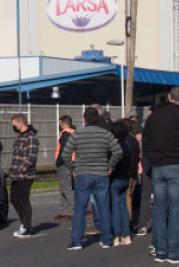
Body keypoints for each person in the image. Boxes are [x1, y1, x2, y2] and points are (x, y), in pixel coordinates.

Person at [142, 86, 179, 264]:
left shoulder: (153, 117)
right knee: (176, 210)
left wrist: (152, 161)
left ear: (168, 96)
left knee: (159, 208)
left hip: (158, 164)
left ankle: (160, 249)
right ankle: (174, 250)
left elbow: (146, 142)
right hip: (177, 164)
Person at [62, 106, 122, 251]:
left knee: (79, 209)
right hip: (101, 174)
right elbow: (117, 151)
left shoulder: (77, 135)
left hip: (82, 174)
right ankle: (107, 239)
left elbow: (65, 154)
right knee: (103, 208)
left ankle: (77, 241)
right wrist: (110, 166)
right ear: (98, 118)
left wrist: (73, 169)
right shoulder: (105, 134)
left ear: (84, 119)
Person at [8, 113, 39, 237]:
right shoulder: (20, 137)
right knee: (14, 199)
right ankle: (24, 222)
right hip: (16, 175)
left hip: (25, 176)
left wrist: (21, 169)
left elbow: (31, 157)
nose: (14, 127)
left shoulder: (31, 137)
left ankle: (26, 226)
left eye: (14, 125)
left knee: (24, 200)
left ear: (21, 123)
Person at [109, 120, 133, 246]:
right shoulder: (127, 144)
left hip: (116, 178)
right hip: (126, 177)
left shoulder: (114, 146)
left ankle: (116, 235)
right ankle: (126, 235)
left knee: (115, 207)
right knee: (123, 206)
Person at [54, 115, 75, 221]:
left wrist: (58, 162)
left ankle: (69, 211)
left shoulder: (66, 134)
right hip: (70, 163)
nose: (59, 125)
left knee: (66, 188)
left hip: (65, 164)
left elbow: (64, 151)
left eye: (60, 123)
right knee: (64, 187)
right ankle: (64, 211)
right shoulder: (73, 132)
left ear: (64, 123)